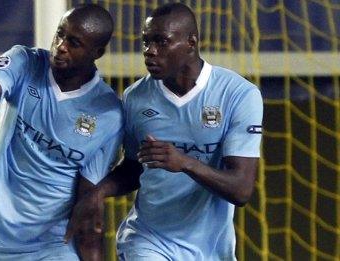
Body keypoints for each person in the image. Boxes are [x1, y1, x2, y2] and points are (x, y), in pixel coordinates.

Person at [65, 3, 263, 260]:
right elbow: (135, 168)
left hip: (211, 248)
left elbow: (241, 190)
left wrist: (184, 163)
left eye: (161, 42)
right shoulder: (136, 98)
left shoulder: (238, 95)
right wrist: (99, 192)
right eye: (146, 42)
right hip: (148, 239)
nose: (150, 52)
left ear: (191, 43)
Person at [0, 3, 121, 261]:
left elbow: (87, 201)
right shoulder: (25, 62)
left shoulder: (108, 114)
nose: (60, 45)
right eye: (60, 34)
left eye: (73, 42)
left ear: (97, 52)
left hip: (54, 244)